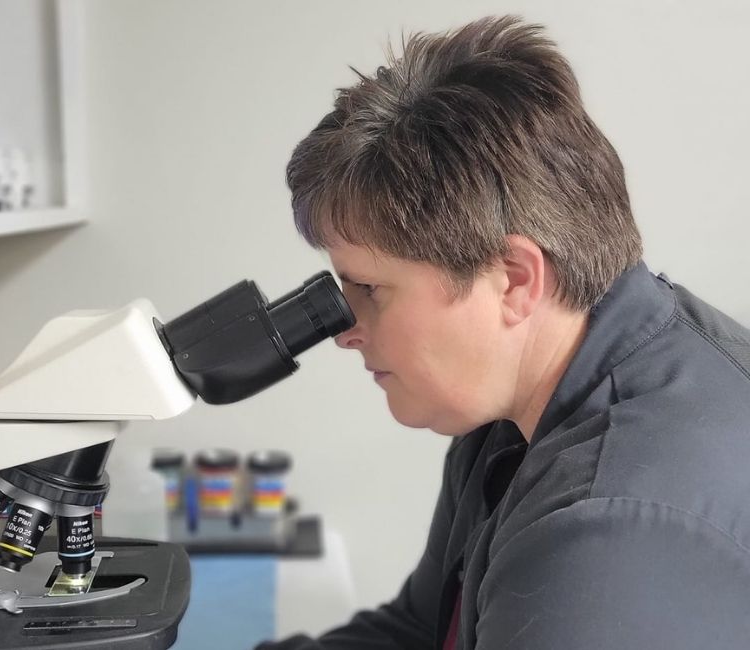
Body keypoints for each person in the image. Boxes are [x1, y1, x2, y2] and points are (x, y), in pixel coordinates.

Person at [258, 15, 750, 650]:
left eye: (370, 289)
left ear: (515, 279)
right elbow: (416, 633)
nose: (343, 332)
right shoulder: (511, 421)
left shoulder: (605, 536)